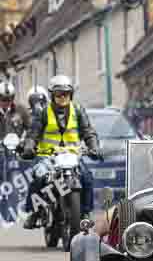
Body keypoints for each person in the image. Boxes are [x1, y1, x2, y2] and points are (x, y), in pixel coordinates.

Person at [22, 74, 102, 229]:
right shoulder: (43, 113)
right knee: (38, 179)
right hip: (48, 157)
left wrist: (94, 147)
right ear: (52, 95)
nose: (63, 97)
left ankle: (84, 213)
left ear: (71, 94)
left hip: (72, 156)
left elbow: (88, 132)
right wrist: (29, 147)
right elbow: (34, 134)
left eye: (66, 93)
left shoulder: (78, 110)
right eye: (59, 94)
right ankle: (35, 212)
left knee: (86, 178)